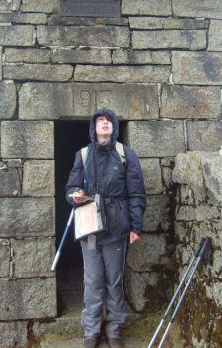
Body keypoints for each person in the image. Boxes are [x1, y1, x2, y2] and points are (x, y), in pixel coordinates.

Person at [65, 108, 146, 348]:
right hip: (90, 227)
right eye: (100, 120)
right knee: (93, 282)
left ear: (114, 127)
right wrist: (75, 194)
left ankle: (114, 330)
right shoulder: (82, 155)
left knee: (114, 281)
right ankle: (91, 331)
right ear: (94, 127)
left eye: (109, 120)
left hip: (117, 228)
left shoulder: (125, 154)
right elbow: (70, 187)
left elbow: (136, 193)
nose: (105, 123)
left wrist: (136, 226)